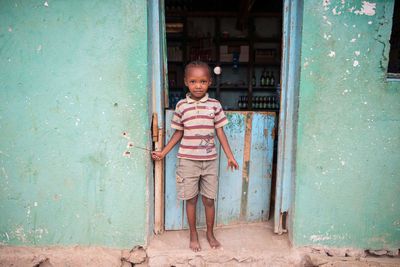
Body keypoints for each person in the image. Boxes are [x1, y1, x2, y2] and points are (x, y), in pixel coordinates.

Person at [152, 61, 239, 252]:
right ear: (186, 82)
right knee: (190, 199)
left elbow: (220, 133)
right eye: (193, 81)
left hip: (210, 161)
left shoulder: (215, 105)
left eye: (202, 81)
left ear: (209, 82)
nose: (198, 85)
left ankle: (209, 232)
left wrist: (230, 156)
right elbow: (178, 133)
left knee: (209, 200)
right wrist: (163, 153)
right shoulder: (181, 106)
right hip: (187, 161)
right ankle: (193, 233)